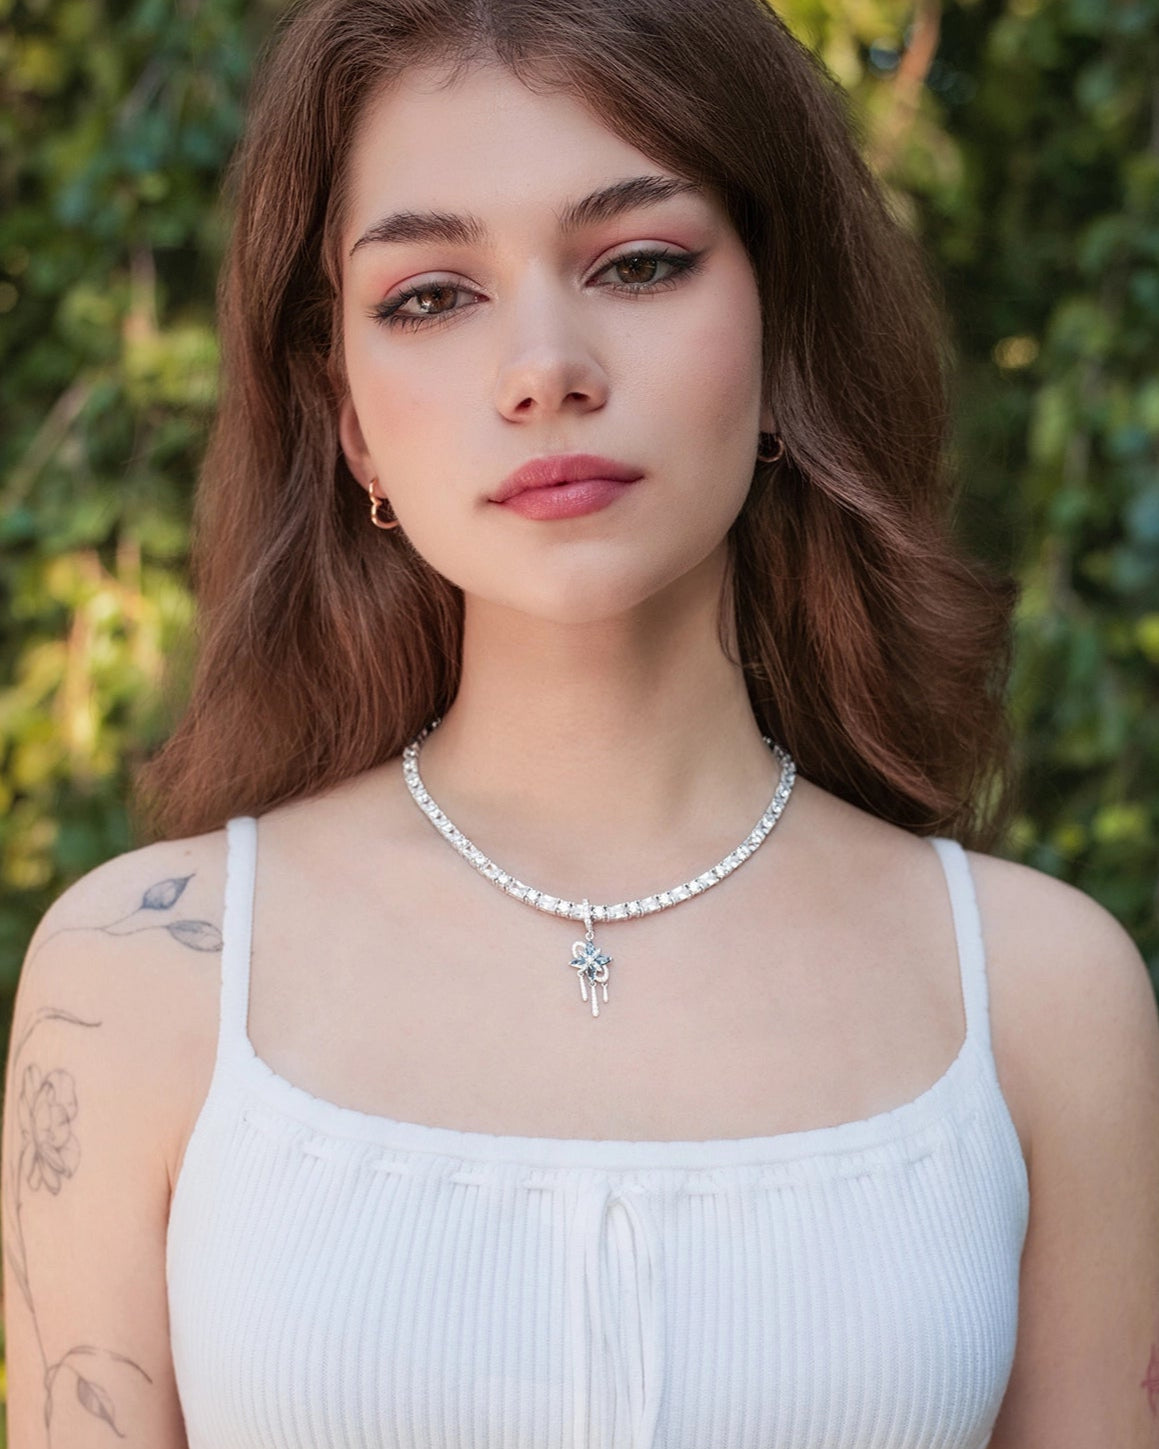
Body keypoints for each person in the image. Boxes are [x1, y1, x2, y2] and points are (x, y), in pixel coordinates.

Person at [5, 0, 1159, 1444]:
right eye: (430, 293)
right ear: (350, 416)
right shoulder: (138, 982)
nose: (544, 367)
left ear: (780, 325)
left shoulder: (1044, 999)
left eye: (639, 261)